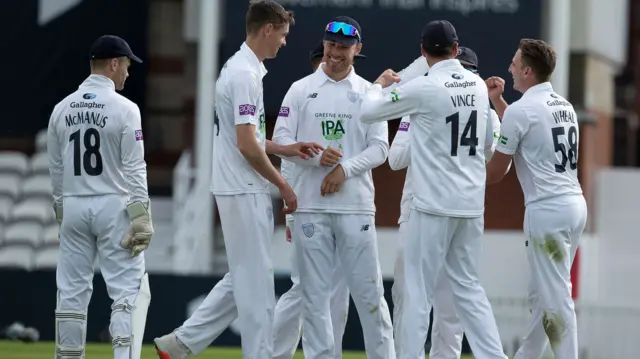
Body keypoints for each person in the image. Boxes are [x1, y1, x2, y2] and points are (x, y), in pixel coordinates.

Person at [154, 2, 323, 358]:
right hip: (244, 188)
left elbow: (249, 138)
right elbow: (247, 146)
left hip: (239, 186)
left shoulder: (240, 68)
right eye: (283, 34)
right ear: (267, 29)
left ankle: (181, 343)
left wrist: (287, 149)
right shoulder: (244, 75)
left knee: (243, 275)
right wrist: (284, 184)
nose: (284, 43)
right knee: (257, 286)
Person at [359, 20, 507, 359]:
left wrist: (378, 85)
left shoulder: (425, 86)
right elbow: (487, 148)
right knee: (469, 291)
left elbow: (369, 112)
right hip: (470, 206)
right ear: (456, 50)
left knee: (416, 293)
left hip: (430, 206)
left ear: (424, 53)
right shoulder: (476, 87)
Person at [272, 16, 396, 359]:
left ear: (357, 49)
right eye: (330, 45)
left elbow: (380, 149)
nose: (335, 53)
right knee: (314, 299)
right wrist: (315, 157)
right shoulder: (300, 89)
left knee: (370, 297)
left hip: (355, 207)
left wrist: (343, 169)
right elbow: (282, 138)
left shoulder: (369, 93)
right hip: (311, 207)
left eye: (343, 47)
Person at [47, 34, 151, 359]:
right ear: (114, 63)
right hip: (113, 206)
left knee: (71, 295)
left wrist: (62, 215)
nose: (128, 73)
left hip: (74, 205)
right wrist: (141, 216)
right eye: (127, 66)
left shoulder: (61, 109)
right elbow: (135, 167)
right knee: (126, 293)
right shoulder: (126, 109)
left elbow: (56, 170)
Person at [485, 38, 587, 359]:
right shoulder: (563, 105)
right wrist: (499, 102)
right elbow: (524, 128)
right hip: (574, 206)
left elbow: (497, 171)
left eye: (515, 63)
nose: (510, 68)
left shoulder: (521, 110)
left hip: (547, 212)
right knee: (542, 298)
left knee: (555, 300)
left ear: (528, 71)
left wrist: (460, 172)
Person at [272, 40, 353, 359]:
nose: (336, 63)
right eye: (330, 57)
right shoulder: (301, 99)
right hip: (308, 210)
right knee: (305, 289)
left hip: (343, 210)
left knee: (337, 293)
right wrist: (291, 216)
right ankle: (274, 353)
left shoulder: (345, 99)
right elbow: (288, 160)